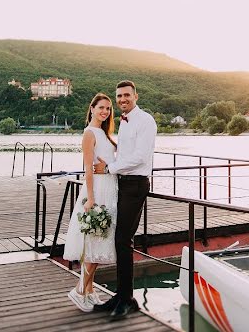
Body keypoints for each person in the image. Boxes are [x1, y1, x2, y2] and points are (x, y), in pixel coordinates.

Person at [92, 80, 157, 320]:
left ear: (135, 96)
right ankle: (121, 296)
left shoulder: (146, 120)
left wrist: (109, 168)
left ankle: (127, 299)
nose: (122, 99)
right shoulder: (125, 122)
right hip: (122, 183)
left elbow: (140, 157)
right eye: (119, 96)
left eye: (126, 95)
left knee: (123, 240)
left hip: (136, 184)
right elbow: (124, 154)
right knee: (120, 240)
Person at [63, 92, 118, 312]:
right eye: (101, 108)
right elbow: (87, 167)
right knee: (94, 242)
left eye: (108, 109)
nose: (104, 111)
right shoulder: (89, 133)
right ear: (92, 108)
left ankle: (89, 290)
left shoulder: (106, 134)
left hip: (109, 188)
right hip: (97, 190)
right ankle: (78, 290)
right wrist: (92, 198)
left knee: (99, 242)